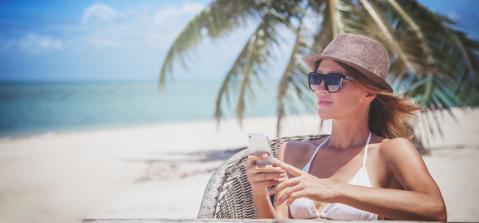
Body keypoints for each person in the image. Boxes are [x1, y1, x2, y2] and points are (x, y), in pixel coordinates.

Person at [245, 33, 447, 221]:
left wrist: (335, 190)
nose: (320, 89)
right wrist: (259, 191)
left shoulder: (390, 151)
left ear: (369, 93)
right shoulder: (294, 152)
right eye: (316, 79)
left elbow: (436, 209)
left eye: (334, 80)